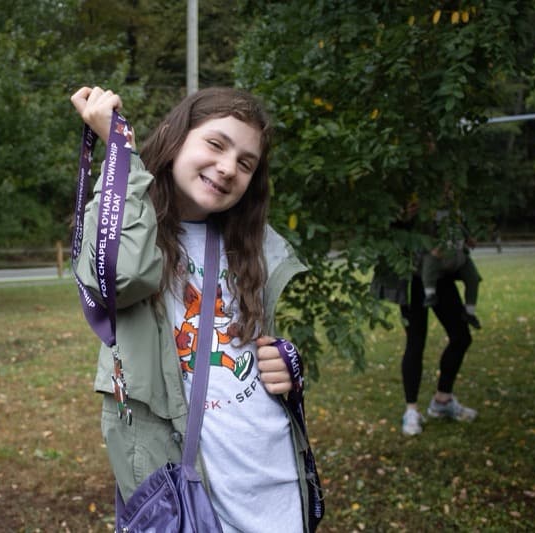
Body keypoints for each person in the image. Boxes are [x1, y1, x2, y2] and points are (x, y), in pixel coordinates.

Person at [71, 86, 313, 532]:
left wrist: (286, 364)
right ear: (175, 136)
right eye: (216, 144)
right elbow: (122, 276)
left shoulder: (254, 247)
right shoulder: (129, 227)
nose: (227, 168)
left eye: (246, 163)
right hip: (189, 498)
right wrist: (122, 152)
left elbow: (245, 354)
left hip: (275, 487)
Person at [371, 194, 478, 437]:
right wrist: (405, 216)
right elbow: (388, 233)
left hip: (441, 277)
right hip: (412, 278)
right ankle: (412, 410)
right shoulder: (406, 189)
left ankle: (442, 400)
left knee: (461, 337)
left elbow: (457, 229)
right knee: (416, 342)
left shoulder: (448, 197)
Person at [418, 183, 482, 329]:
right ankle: (430, 294)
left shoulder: (456, 211)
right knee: (429, 263)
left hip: (458, 252)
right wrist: (432, 248)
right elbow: (422, 234)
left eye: (450, 190)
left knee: (473, 278)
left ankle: (470, 311)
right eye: (444, 191)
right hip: (440, 252)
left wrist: (469, 238)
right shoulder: (429, 213)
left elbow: (460, 227)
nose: (447, 194)